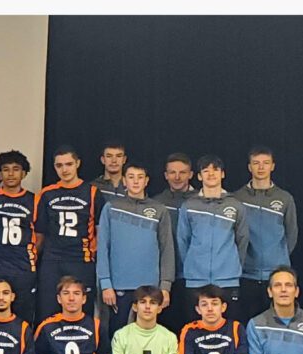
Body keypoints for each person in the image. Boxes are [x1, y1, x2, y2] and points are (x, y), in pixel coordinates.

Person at [97, 163, 174, 341]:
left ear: (146, 181)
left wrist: (165, 286)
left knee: (147, 337)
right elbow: (103, 248)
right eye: (131, 177)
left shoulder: (159, 210)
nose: (135, 181)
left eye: (140, 177)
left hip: (150, 286)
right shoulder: (111, 207)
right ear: (124, 180)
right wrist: (106, 284)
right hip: (118, 287)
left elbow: (167, 249)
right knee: (118, 337)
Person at [176, 155, 248, 323]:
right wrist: (193, 266)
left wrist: (232, 265)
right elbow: (182, 240)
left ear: (222, 174)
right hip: (196, 279)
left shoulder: (236, 206)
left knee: (229, 329)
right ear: (199, 176)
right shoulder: (189, 206)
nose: (211, 174)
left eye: (215, 170)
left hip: (227, 279)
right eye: (206, 171)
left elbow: (242, 241)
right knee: (196, 328)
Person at [34, 146, 102, 319]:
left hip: (81, 259)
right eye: (59, 165)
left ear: (77, 164)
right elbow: (39, 233)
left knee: (81, 312)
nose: (64, 169)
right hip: (52, 260)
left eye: (69, 164)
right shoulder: (46, 194)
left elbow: (100, 231)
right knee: (48, 312)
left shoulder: (92, 192)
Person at [232, 147, 298, 322]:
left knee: (276, 325)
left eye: (265, 163)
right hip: (245, 274)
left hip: (276, 274)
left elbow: (291, 235)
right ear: (249, 167)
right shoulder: (236, 198)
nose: (261, 167)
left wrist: (277, 256)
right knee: (246, 325)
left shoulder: (284, 198)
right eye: (256, 163)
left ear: (272, 166)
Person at [0, 150, 38, 324]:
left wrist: (28, 256)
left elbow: (39, 236)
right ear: (0, 173)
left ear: (24, 173)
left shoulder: (34, 201)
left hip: (24, 269)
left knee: (24, 318)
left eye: (16, 169)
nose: (10, 174)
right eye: (5, 169)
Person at [154, 153, 196, 334]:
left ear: (191, 174)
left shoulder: (200, 201)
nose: (177, 177)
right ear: (165, 175)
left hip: (193, 276)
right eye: (172, 173)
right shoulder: (156, 203)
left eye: (182, 172)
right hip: (164, 277)